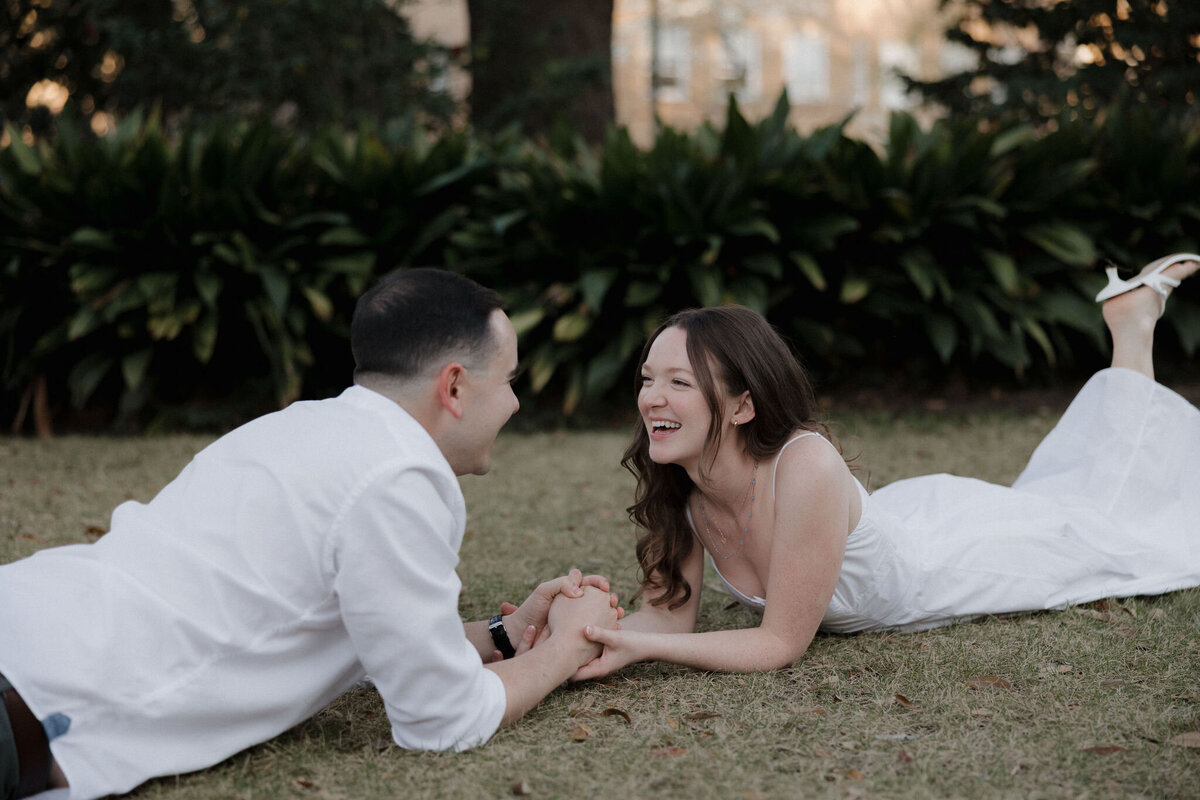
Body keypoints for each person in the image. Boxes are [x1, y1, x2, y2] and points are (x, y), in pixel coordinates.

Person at [0, 268, 621, 800]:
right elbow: (443, 721)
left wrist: (505, 634)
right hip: (30, 701)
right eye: (509, 380)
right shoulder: (396, 479)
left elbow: (358, 632)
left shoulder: (299, 428)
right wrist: (568, 647)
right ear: (454, 386)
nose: (515, 404)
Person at [571, 253, 1200, 680]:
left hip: (953, 559)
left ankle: (1132, 326)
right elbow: (669, 615)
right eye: (648, 378)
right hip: (906, 518)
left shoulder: (805, 464)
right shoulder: (683, 486)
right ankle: (1133, 323)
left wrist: (639, 649)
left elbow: (779, 643)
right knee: (1087, 506)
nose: (651, 398)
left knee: (1111, 527)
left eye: (679, 382)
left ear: (742, 406)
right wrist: (595, 634)